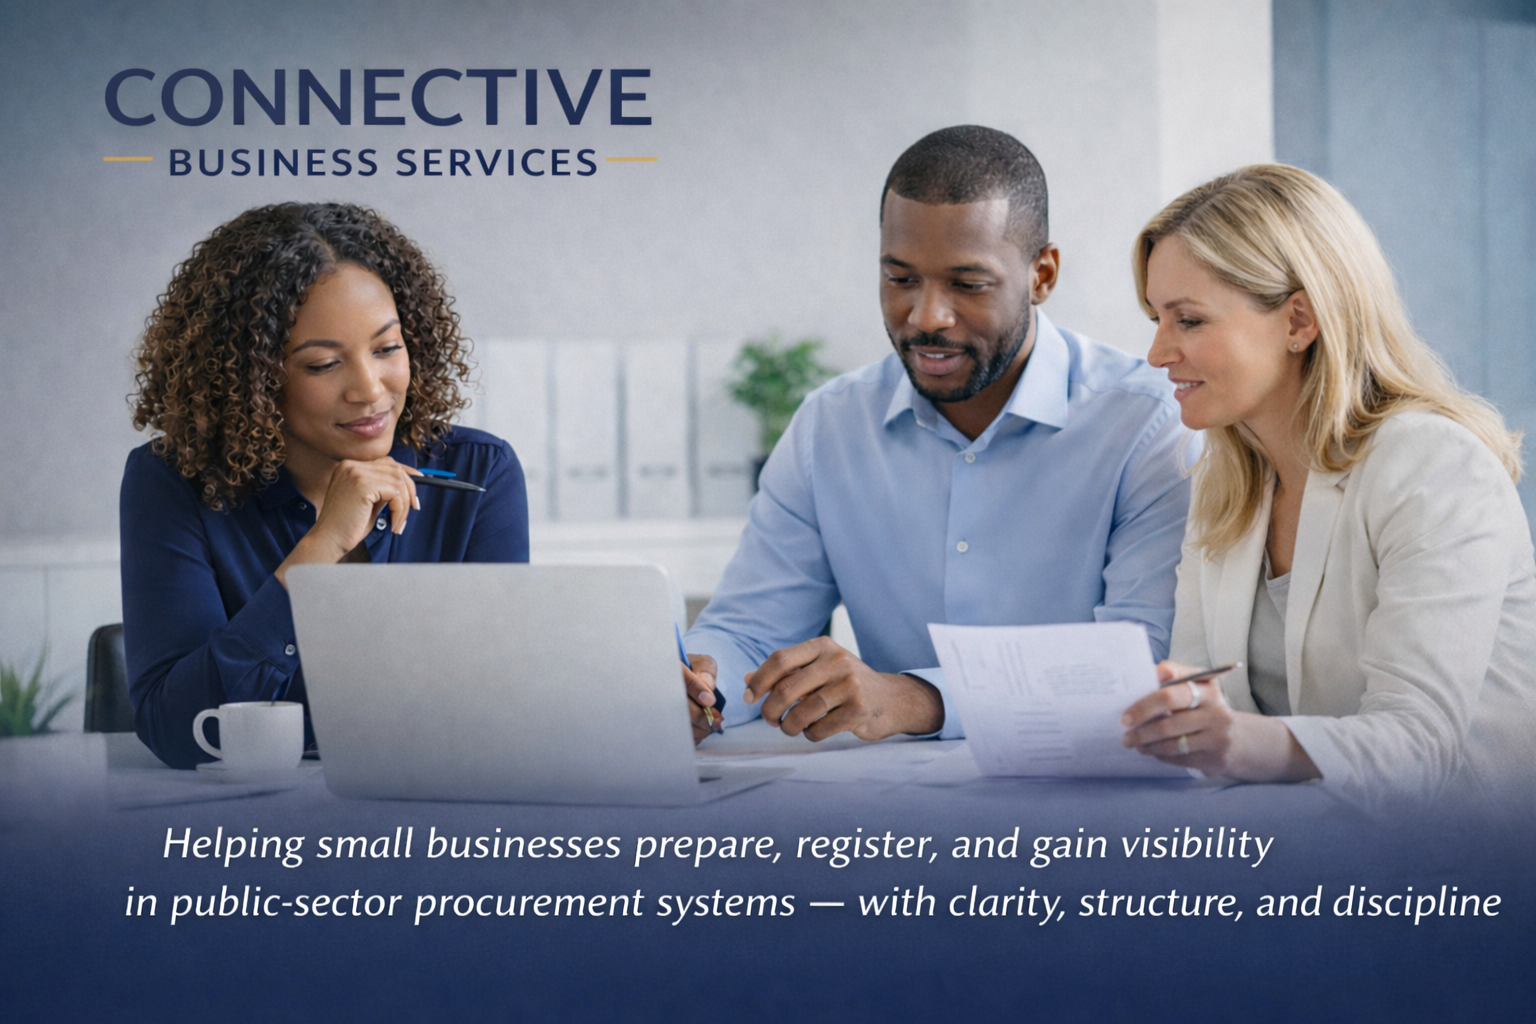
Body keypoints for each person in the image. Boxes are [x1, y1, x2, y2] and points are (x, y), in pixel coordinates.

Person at [683, 125, 1193, 741]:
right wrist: (699, 684)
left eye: (968, 285)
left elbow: (1138, 662)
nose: (926, 317)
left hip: (1083, 809)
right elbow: (750, 631)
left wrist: (920, 698)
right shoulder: (831, 426)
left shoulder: (1149, 423)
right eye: (900, 280)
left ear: (1043, 274)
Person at [1119, 163, 1536, 810]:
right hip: (1306, 844)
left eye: (1189, 321)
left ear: (1298, 322)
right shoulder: (1226, 482)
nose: (1157, 352)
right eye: (1156, 318)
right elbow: (1209, 708)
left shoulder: (1434, 466)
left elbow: (1418, 749)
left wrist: (1239, 744)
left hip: (1460, 868)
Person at [124, 203, 545, 768]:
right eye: (323, 364)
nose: (370, 390)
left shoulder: (479, 472)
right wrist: (318, 550)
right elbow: (176, 732)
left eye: (387, 348)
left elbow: (500, 704)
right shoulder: (173, 483)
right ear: (251, 378)